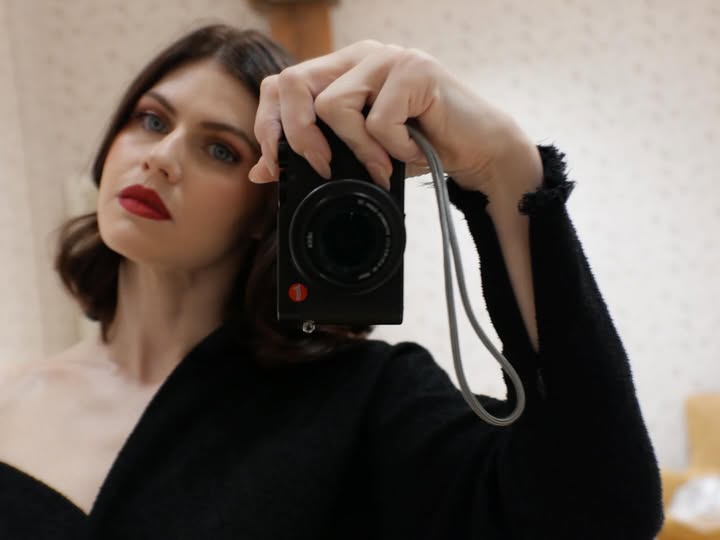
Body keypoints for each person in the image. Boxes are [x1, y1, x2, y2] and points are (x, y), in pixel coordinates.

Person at [0, 24, 663, 539]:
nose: (162, 158)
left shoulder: (364, 401)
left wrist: (503, 164)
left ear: (270, 205)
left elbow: (599, 510)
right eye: (152, 120)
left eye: (220, 149)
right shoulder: (9, 397)